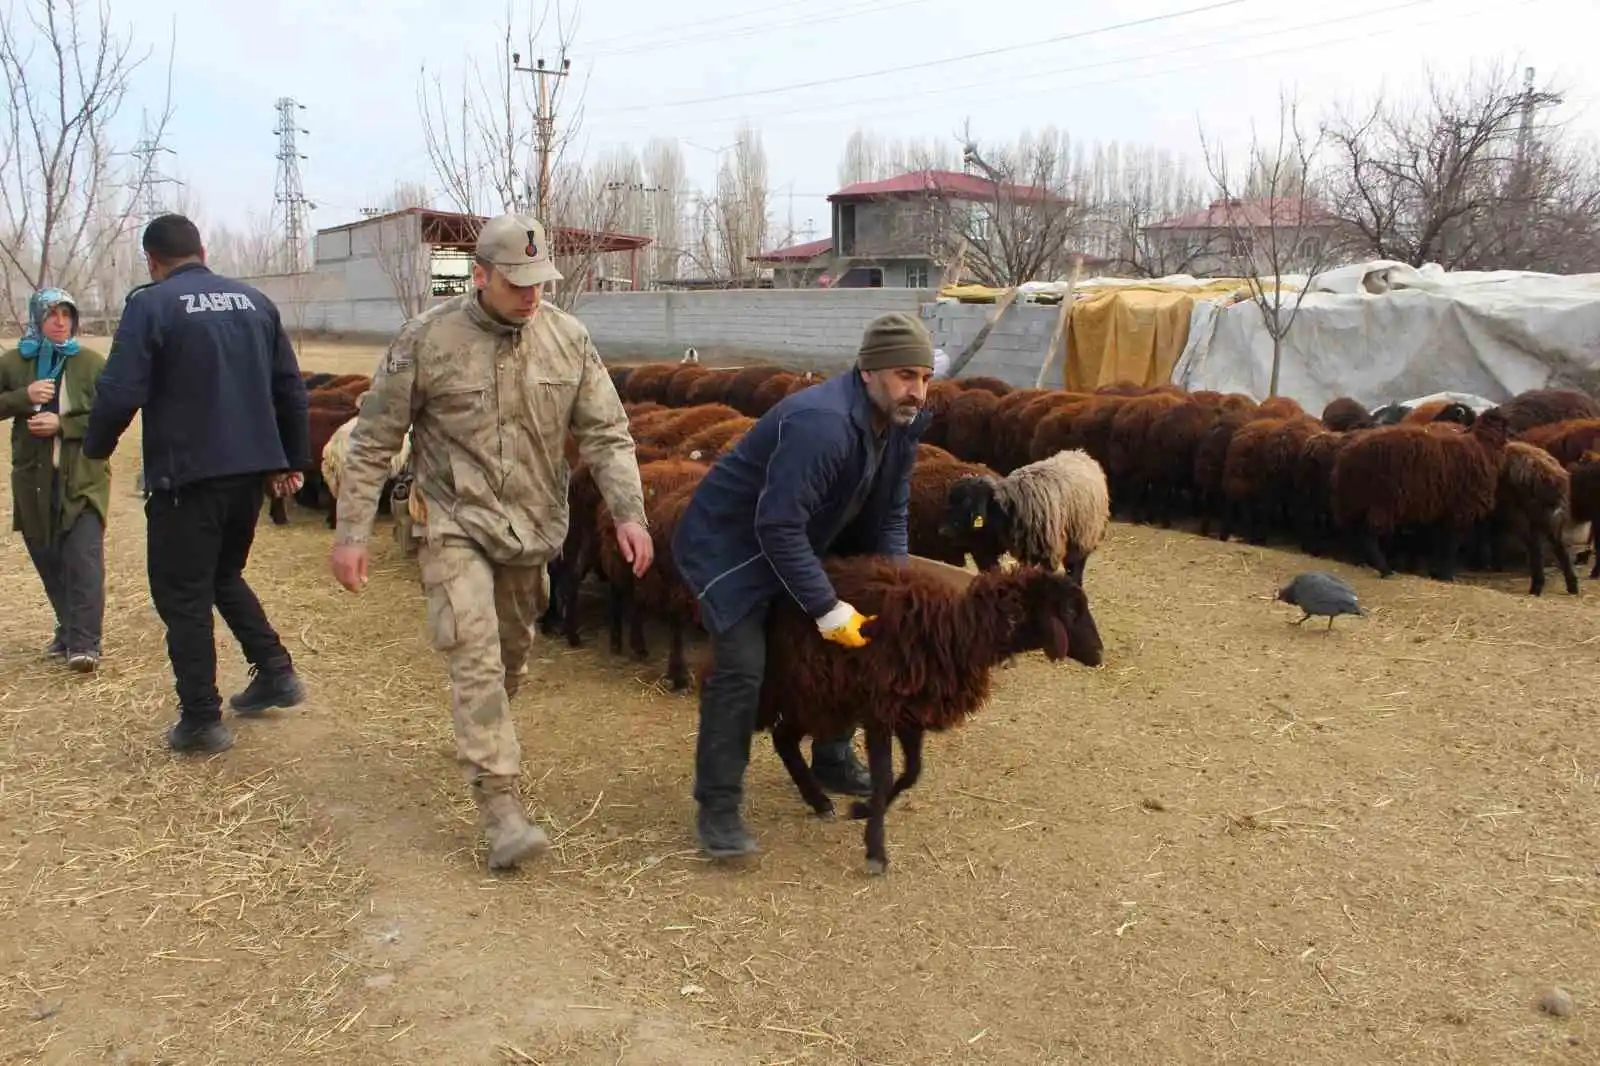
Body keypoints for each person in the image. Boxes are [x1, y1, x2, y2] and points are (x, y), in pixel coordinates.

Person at [329, 212, 653, 873]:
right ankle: (500, 804)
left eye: (540, 282)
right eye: (516, 283)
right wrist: (351, 532)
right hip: (451, 519)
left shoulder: (568, 340)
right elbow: (372, 443)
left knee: (508, 660)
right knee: (473, 653)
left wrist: (630, 513)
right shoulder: (427, 341)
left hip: (532, 527)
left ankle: (485, 730)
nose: (531, 295)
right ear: (480, 277)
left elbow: (607, 435)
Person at [671, 311, 935, 857]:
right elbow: (776, 525)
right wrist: (825, 605)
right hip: (732, 547)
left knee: (856, 648)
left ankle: (832, 756)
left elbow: (892, 513)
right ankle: (718, 805)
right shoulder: (822, 424)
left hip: (808, 535)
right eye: (906, 375)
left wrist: (890, 588)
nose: (918, 391)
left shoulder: (902, 425)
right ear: (869, 371)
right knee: (744, 667)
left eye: (926, 377)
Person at [83, 213, 311, 755]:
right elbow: (290, 388)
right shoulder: (255, 303)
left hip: (186, 475)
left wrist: (94, 448)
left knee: (182, 593)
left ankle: (201, 719)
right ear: (203, 250)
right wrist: (291, 458)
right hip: (249, 472)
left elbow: (118, 391)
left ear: (152, 261)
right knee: (222, 575)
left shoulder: (151, 303)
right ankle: (276, 673)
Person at [0, 287, 110, 671]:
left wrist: (63, 425)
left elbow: (110, 419)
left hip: (83, 479)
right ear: (37, 318)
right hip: (33, 480)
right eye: (52, 315)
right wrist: (23, 396)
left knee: (83, 558)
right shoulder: (14, 362)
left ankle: (85, 644)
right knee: (47, 557)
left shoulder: (91, 364)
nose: (60, 322)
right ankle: (68, 629)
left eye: (67, 314)